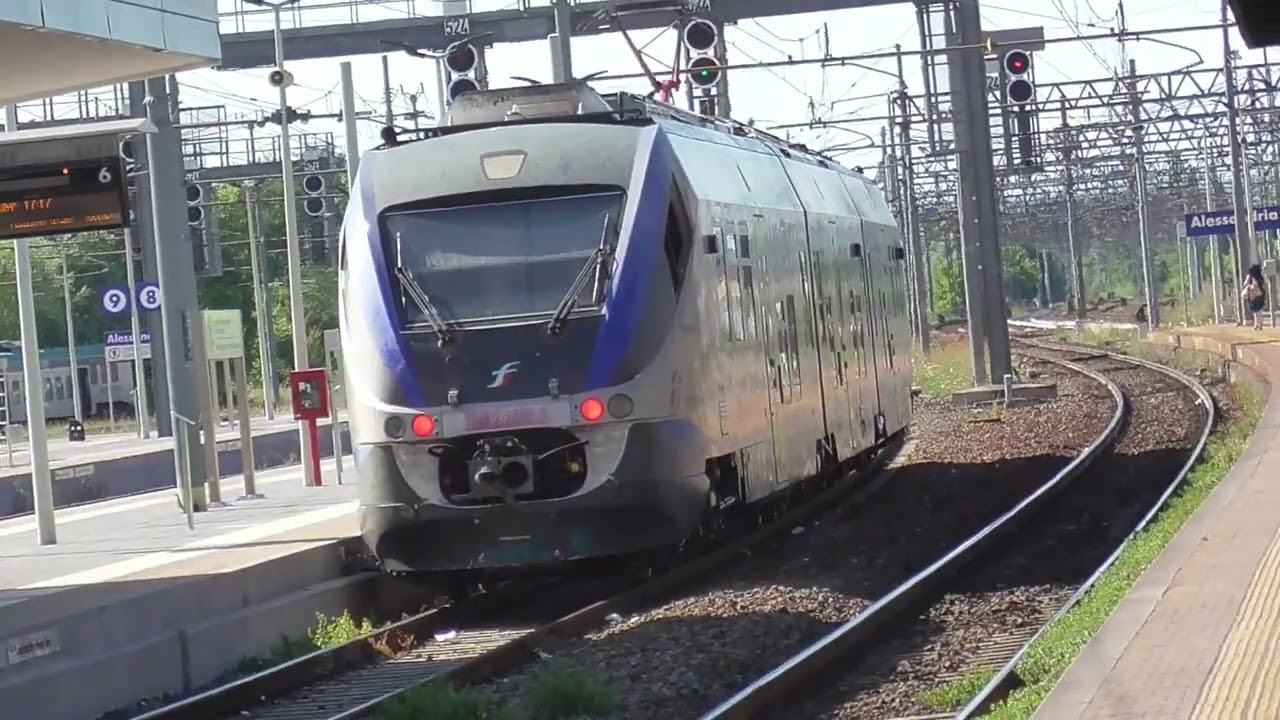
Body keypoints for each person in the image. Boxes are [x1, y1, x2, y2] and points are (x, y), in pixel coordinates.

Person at [1243, 264, 1267, 330]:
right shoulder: (1260, 276)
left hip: (1252, 294)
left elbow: (1245, 284)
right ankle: (1260, 324)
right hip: (1260, 294)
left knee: (1255, 310)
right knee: (1260, 309)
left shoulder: (1249, 276)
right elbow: (1263, 284)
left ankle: (1256, 324)